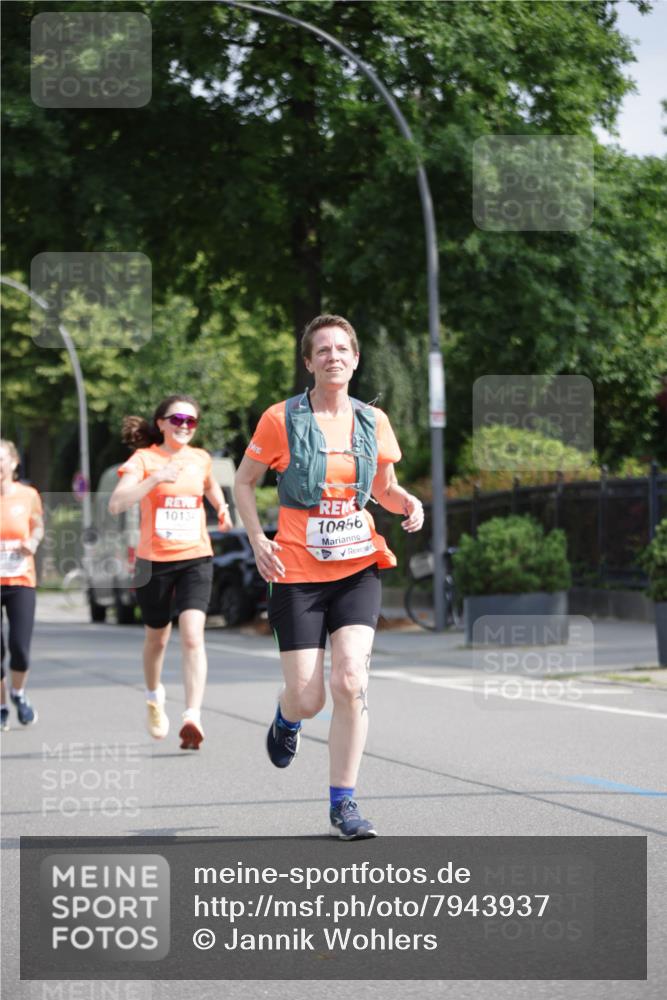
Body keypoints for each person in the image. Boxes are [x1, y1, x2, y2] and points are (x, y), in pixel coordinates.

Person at [234, 315, 424, 838]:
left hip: (358, 566)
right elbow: (245, 483)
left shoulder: (373, 421)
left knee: (350, 680)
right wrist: (258, 540)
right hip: (296, 571)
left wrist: (406, 500)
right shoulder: (280, 419)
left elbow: (384, 488)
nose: (333, 357)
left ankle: (344, 804)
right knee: (309, 697)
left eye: (343, 348)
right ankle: (287, 715)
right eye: (323, 350)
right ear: (309, 362)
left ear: (356, 359)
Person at [108, 394, 232, 750]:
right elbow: (117, 503)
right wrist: (155, 478)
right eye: (177, 419)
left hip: (195, 557)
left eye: (191, 421)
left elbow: (209, 486)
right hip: (153, 562)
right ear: (161, 422)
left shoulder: (201, 459)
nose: (184, 427)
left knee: (193, 636)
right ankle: (153, 696)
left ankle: (192, 714)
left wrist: (221, 508)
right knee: (157, 638)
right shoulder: (144, 459)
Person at [0, 439, 44, 730]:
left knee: (20, 648)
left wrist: (33, 541)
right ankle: (2, 705)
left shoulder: (28, 495)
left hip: (21, 580)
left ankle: (18, 693)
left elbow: (38, 525)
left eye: (1, 458)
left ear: (14, 462)